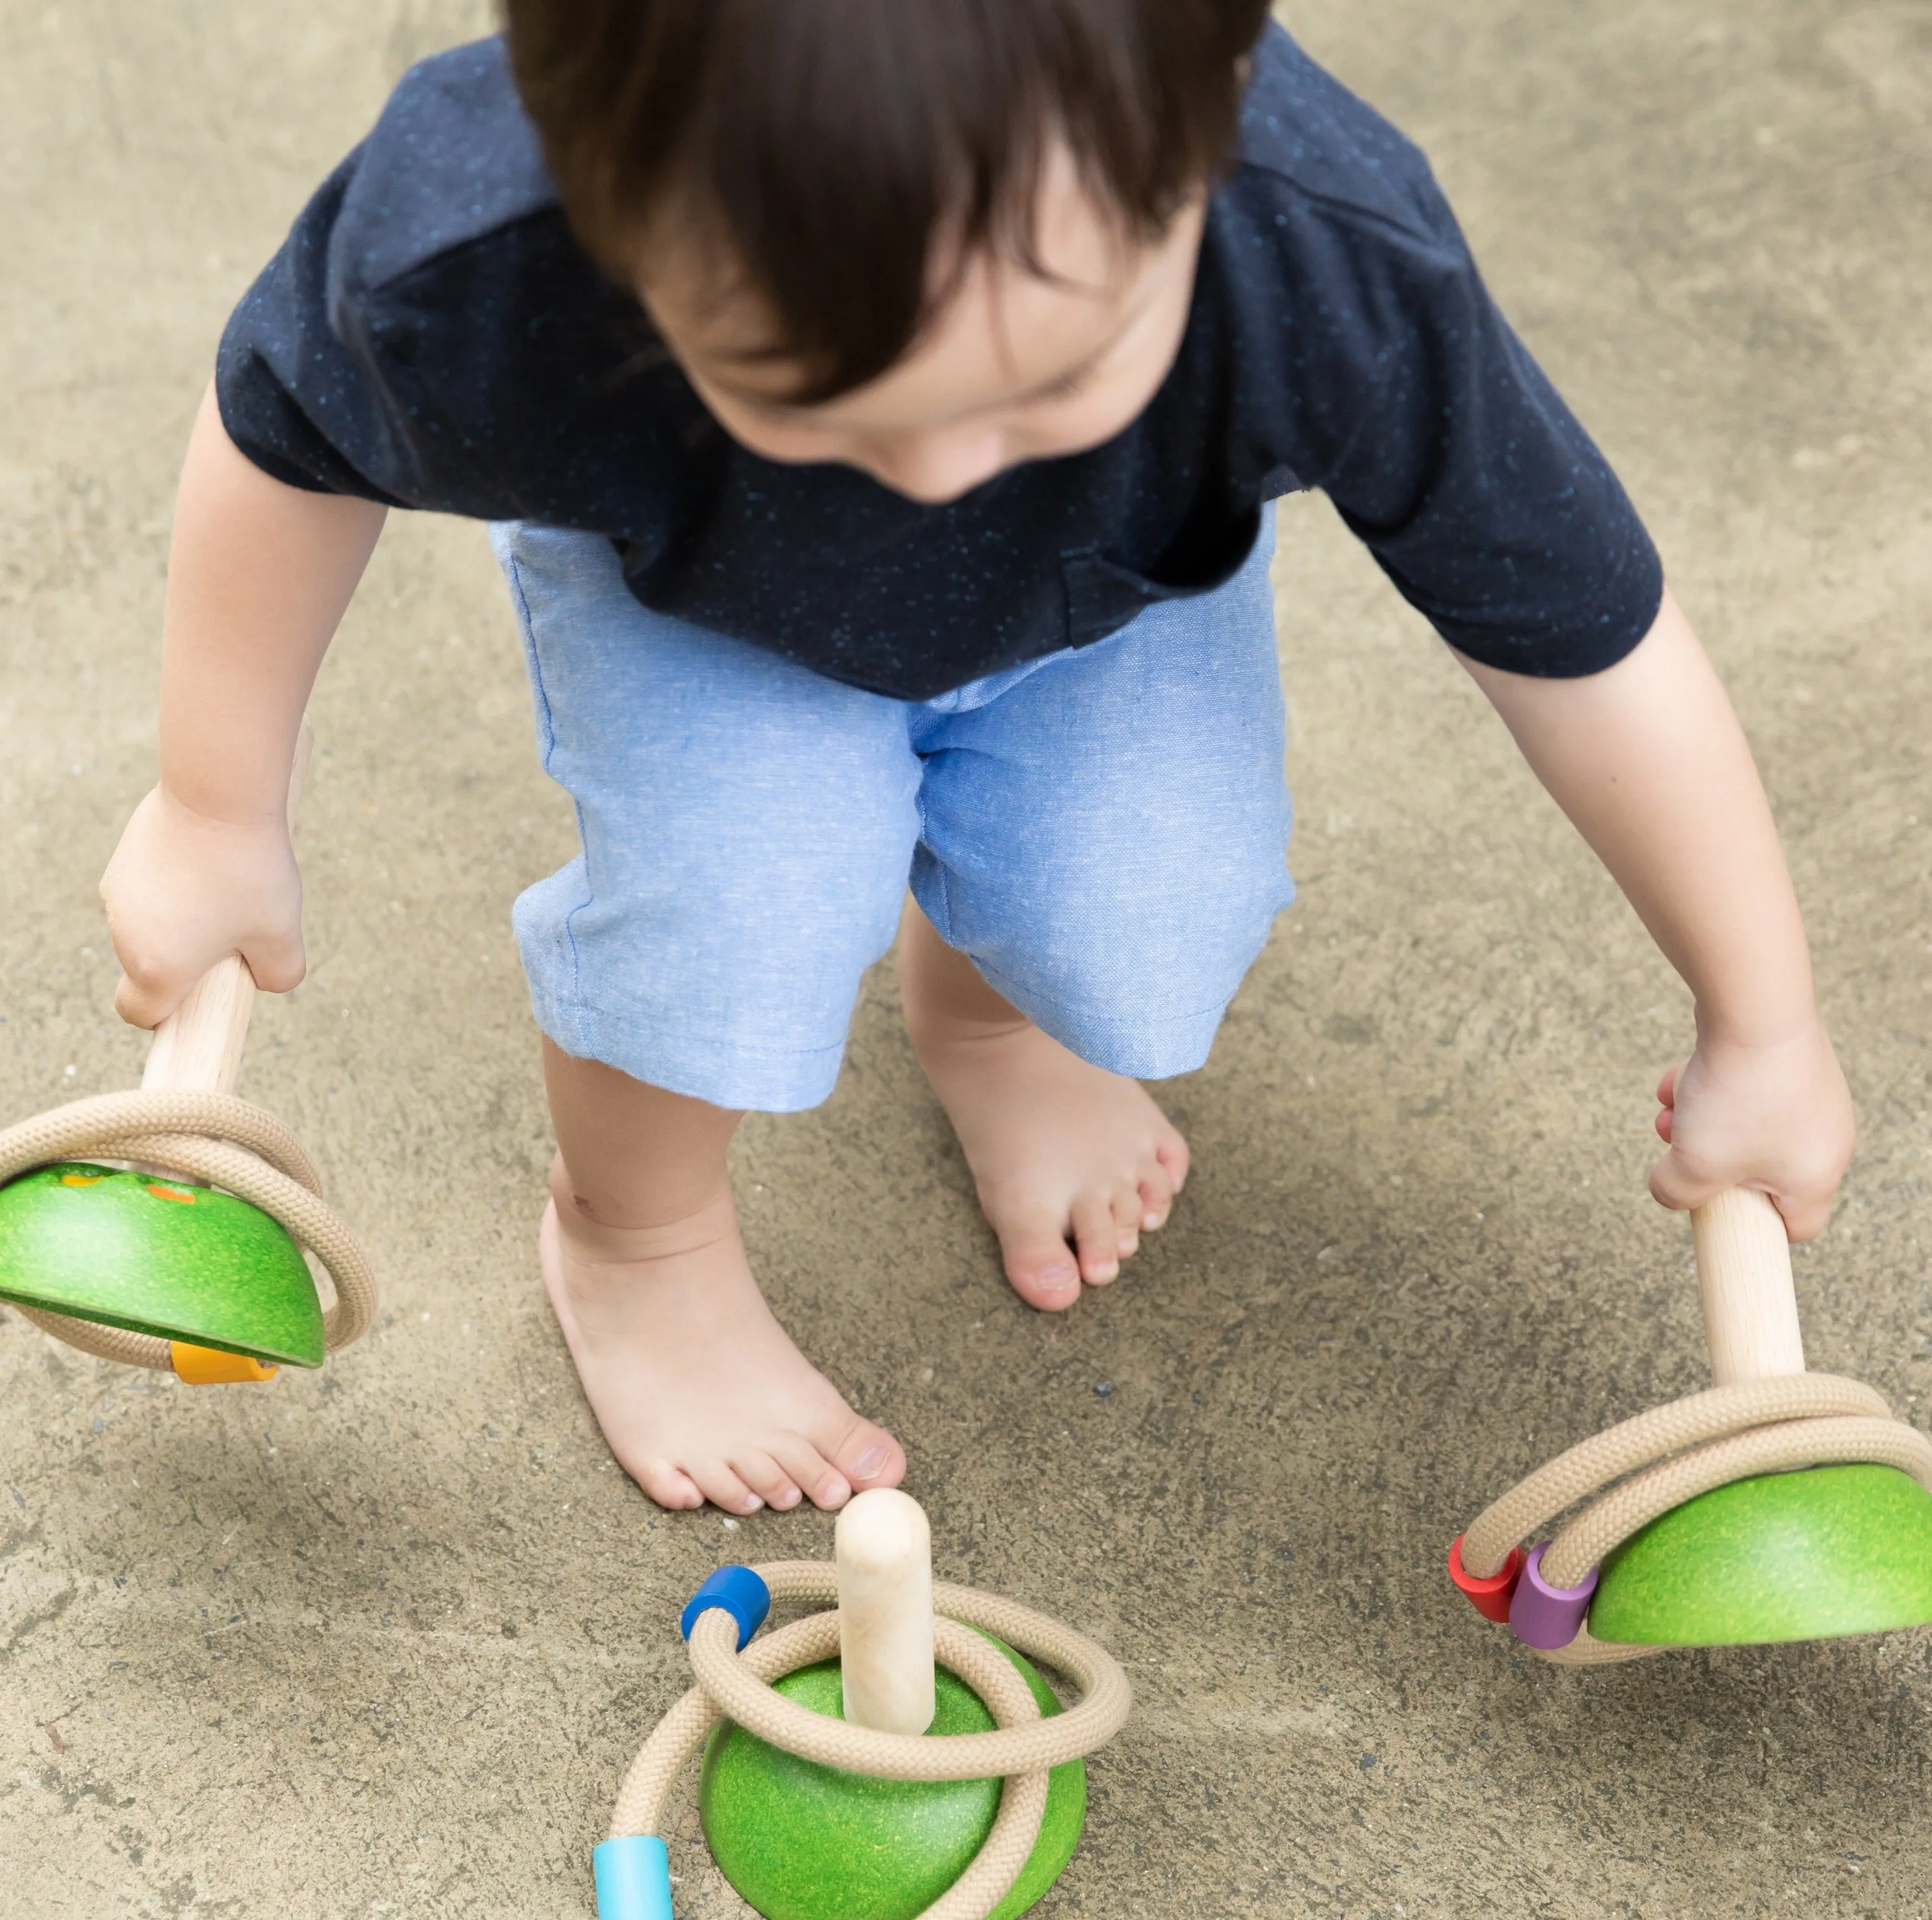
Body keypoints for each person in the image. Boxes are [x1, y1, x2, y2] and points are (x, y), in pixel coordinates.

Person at [98, 0, 1855, 1518]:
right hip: (701, 599)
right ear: (603, 194)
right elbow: (286, 439)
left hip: (1102, 605)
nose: (936, 475)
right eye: (812, 388)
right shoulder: (484, 237)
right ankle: (634, 1240)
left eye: (1057, 371)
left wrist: (1758, 1012)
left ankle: (986, 1012)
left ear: (1219, 100)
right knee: (733, 919)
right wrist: (215, 799)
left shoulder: (1319, 250)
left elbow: (1583, 639)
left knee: (1154, 924)